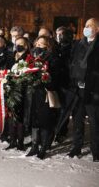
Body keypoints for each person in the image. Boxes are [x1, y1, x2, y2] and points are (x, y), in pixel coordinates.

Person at [68, 18, 99, 162]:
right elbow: (73, 63)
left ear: (97, 29)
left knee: (94, 122)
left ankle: (96, 151)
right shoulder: (79, 44)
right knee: (77, 119)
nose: (87, 28)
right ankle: (76, 147)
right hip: (78, 88)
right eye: (86, 26)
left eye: (90, 26)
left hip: (93, 90)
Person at [26, 36, 61, 159]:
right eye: (37, 43)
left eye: (42, 44)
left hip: (46, 94)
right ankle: (34, 146)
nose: (39, 46)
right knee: (34, 121)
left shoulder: (53, 58)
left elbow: (56, 78)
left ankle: (44, 147)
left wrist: (45, 77)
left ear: (48, 46)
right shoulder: (31, 57)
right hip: (34, 94)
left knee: (45, 122)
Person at [5, 37, 31, 151]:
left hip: (23, 90)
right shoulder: (11, 56)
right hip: (11, 89)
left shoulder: (29, 57)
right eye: (17, 44)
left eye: (21, 44)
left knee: (20, 117)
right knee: (11, 115)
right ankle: (12, 141)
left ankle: (20, 141)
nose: (18, 46)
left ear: (26, 46)